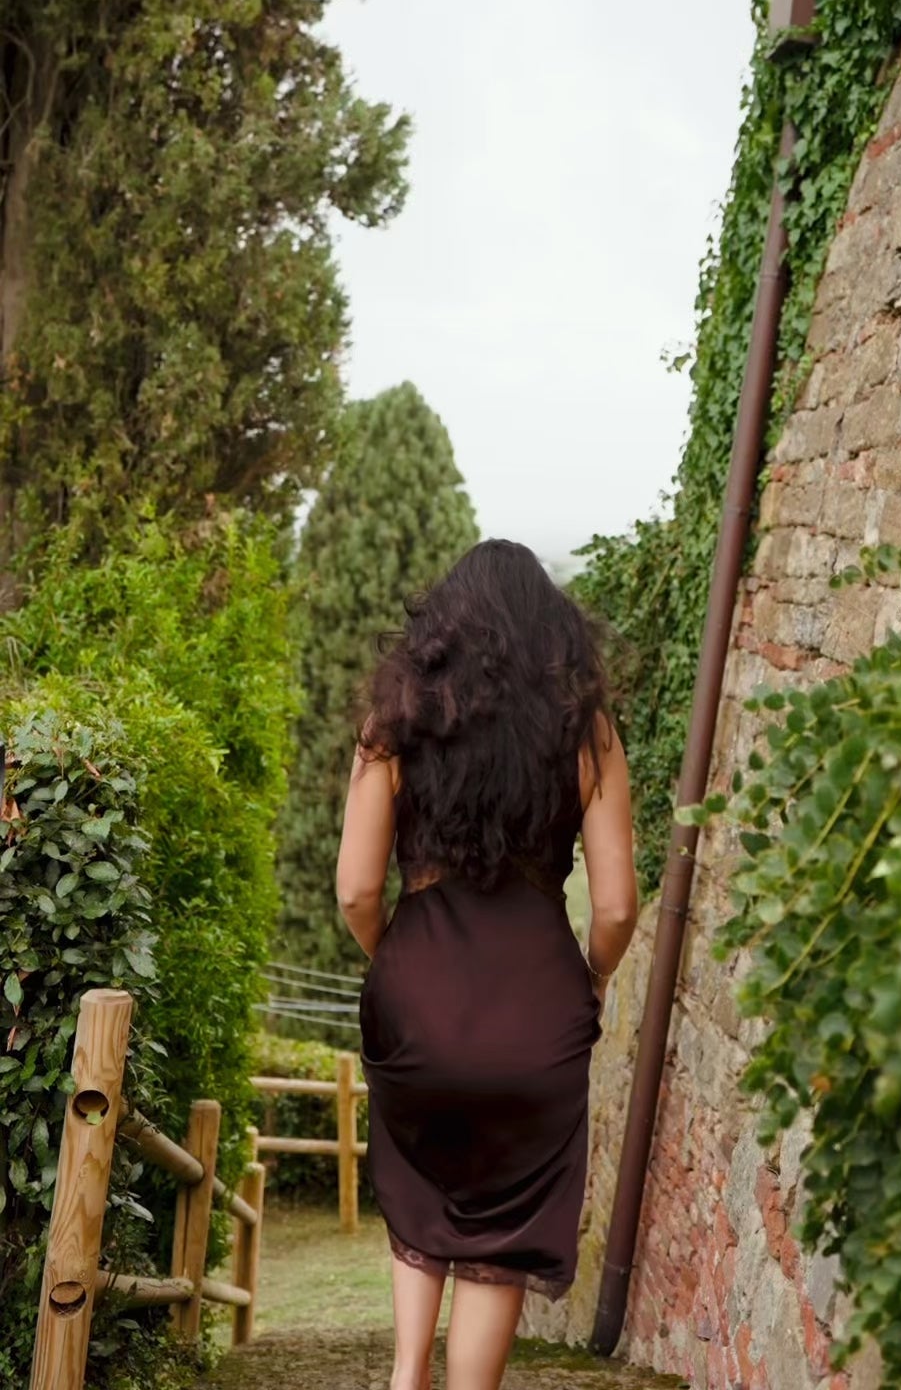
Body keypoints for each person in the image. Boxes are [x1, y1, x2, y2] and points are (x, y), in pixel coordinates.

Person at [336, 538, 638, 1390]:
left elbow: (357, 890)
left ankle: (406, 1375)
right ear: (554, 634)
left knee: (420, 1180)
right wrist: (594, 976)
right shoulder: (587, 731)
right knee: (500, 1231)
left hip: (415, 999)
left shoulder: (393, 721)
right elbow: (616, 907)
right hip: (535, 1017)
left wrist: (397, 961)